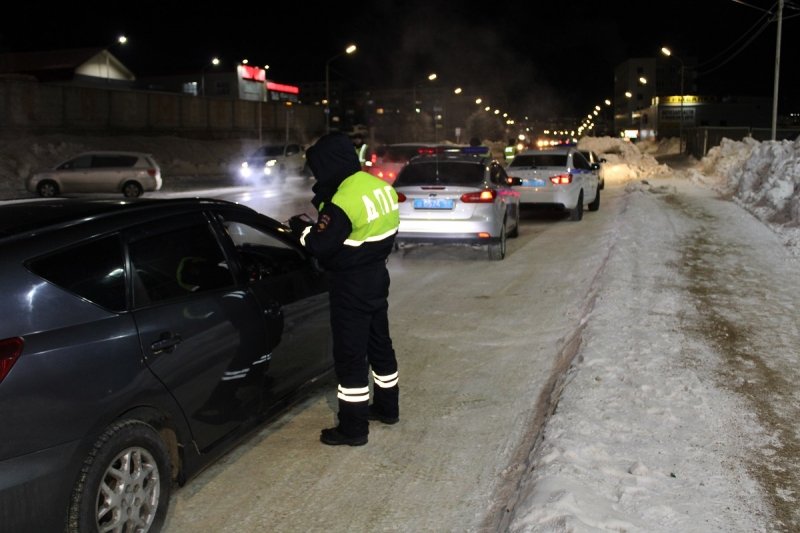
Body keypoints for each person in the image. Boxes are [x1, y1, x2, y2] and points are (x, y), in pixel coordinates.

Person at [289, 132, 400, 446]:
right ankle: (388, 408)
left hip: (351, 284)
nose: (316, 175)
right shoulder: (379, 187)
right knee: (380, 345)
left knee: (351, 356)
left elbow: (319, 245)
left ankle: (353, 429)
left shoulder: (342, 200)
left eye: (318, 168)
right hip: (378, 276)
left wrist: (301, 230)